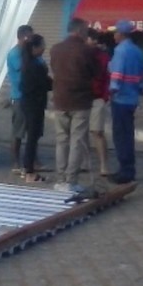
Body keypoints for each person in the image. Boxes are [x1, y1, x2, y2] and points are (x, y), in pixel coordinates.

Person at [49, 18, 99, 192]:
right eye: (85, 29)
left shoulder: (55, 49)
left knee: (61, 140)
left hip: (60, 99)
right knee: (77, 140)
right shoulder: (87, 51)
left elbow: (55, 70)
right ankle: (71, 180)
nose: (87, 33)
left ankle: (60, 179)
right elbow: (95, 73)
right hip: (80, 101)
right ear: (79, 31)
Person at [108, 19, 143, 184]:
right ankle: (128, 168)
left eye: (115, 32)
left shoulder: (120, 51)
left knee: (120, 135)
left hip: (121, 99)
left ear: (121, 34)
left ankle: (125, 171)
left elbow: (116, 75)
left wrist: (112, 91)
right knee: (128, 134)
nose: (114, 35)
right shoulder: (138, 51)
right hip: (132, 98)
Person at [20, 34, 52, 183]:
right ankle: (29, 172)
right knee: (32, 137)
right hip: (34, 105)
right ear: (34, 47)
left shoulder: (31, 63)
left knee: (33, 137)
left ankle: (28, 167)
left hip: (30, 104)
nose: (44, 48)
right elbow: (46, 84)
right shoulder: (34, 65)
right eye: (42, 45)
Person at [5, 24, 34, 174]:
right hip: (19, 97)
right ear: (23, 37)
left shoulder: (28, 53)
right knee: (18, 132)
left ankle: (32, 159)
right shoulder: (15, 54)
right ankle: (15, 162)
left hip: (30, 97)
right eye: (29, 36)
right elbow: (22, 69)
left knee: (32, 131)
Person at [87, 29, 112, 177]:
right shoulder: (80, 55)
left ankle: (103, 165)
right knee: (80, 133)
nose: (94, 42)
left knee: (98, 131)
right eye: (92, 39)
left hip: (97, 98)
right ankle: (84, 163)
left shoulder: (103, 58)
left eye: (95, 39)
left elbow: (108, 78)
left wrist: (104, 97)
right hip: (82, 97)